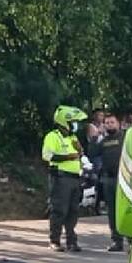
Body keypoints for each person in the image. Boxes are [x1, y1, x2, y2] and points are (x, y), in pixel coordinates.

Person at [42, 105, 86, 252]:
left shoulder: (73, 137)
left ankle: (71, 241)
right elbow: (47, 156)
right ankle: (54, 240)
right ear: (64, 122)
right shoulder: (52, 136)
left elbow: (80, 155)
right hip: (60, 178)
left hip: (74, 178)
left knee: (73, 210)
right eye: (73, 121)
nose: (76, 125)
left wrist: (80, 151)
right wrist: (69, 156)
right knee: (59, 210)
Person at [89, 112, 125, 251]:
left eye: (112, 122)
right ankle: (117, 241)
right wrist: (95, 137)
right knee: (112, 211)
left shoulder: (125, 138)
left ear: (118, 123)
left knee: (126, 210)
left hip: (124, 179)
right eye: (107, 123)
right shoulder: (103, 141)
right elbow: (92, 153)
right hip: (109, 179)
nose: (110, 125)